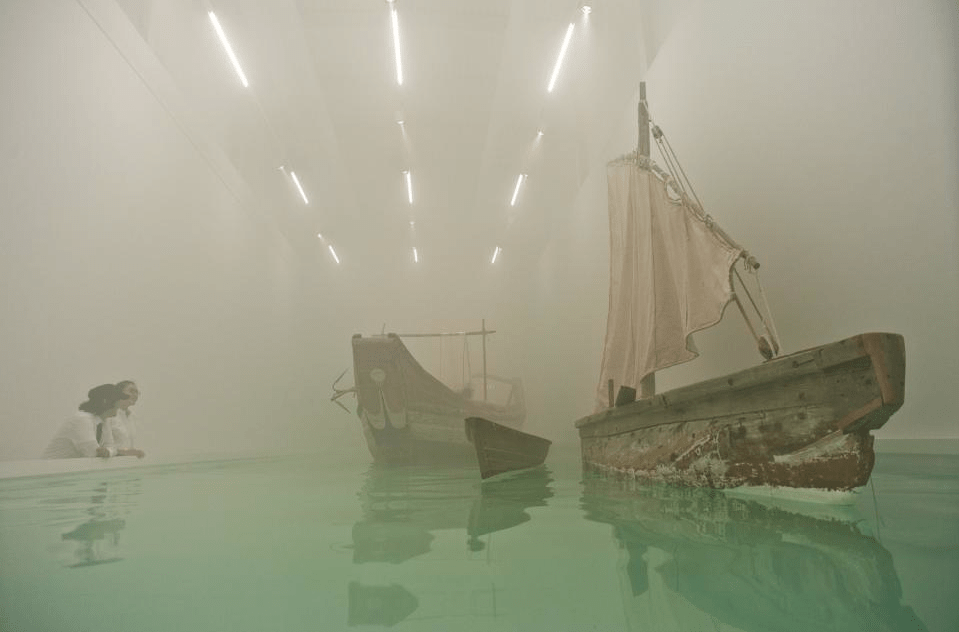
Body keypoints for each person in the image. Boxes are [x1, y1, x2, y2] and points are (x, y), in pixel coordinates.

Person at [42, 385, 144, 459]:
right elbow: (93, 453)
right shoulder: (82, 419)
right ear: (106, 402)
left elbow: (110, 448)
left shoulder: (105, 420)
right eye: (118, 399)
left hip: (68, 473)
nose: (120, 403)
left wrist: (109, 452)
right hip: (48, 474)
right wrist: (113, 452)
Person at [101, 380, 142, 456]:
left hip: (129, 460)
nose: (135, 395)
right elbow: (105, 445)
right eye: (131, 391)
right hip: (111, 460)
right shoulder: (109, 415)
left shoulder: (133, 417)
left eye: (137, 392)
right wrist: (122, 452)